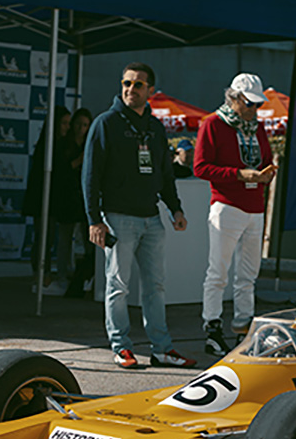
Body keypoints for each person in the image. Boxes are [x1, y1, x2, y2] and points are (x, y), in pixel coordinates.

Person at [83, 62, 196, 369]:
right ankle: (121, 347)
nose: (130, 89)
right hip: (118, 217)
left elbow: (165, 174)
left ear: (150, 91)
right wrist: (94, 219)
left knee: (156, 287)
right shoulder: (106, 123)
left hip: (152, 219)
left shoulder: (155, 128)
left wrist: (175, 208)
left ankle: (162, 349)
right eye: (126, 83)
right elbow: (90, 175)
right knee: (118, 286)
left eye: (137, 84)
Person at [193, 73, 276, 356]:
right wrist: (240, 174)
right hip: (227, 206)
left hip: (255, 207)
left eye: (258, 104)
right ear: (235, 98)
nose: (255, 109)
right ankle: (212, 328)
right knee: (218, 273)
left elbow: (266, 160)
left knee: (248, 275)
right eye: (250, 103)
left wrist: (266, 173)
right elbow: (200, 167)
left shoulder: (258, 127)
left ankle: (244, 328)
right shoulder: (212, 124)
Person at [24, 106, 71, 292]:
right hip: (43, 199)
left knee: (48, 238)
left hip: (54, 199)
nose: (67, 127)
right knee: (44, 238)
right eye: (64, 123)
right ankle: (41, 275)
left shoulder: (60, 143)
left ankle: (43, 274)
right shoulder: (48, 145)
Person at [53, 108, 93, 296]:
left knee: (89, 240)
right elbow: (60, 170)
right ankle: (62, 274)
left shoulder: (90, 144)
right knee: (65, 239)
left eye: (85, 125)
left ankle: (86, 275)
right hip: (67, 197)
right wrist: (79, 160)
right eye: (78, 124)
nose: (81, 129)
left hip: (84, 198)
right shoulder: (63, 144)